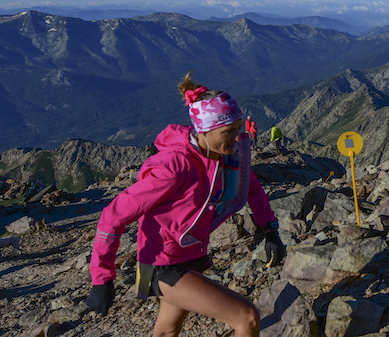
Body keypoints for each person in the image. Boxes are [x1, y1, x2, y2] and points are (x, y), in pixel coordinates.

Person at [85, 72, 285, 337]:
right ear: (204, 130)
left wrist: (269, 228)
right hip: (161, 266)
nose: (237, 138)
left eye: (238, 129)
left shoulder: (224, 156)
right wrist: (102, 279)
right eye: (228, 131)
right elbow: (113, 216)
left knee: (167, 330)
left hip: (188, 257)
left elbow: (250, 186)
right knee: (246, 318)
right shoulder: (175, 167)